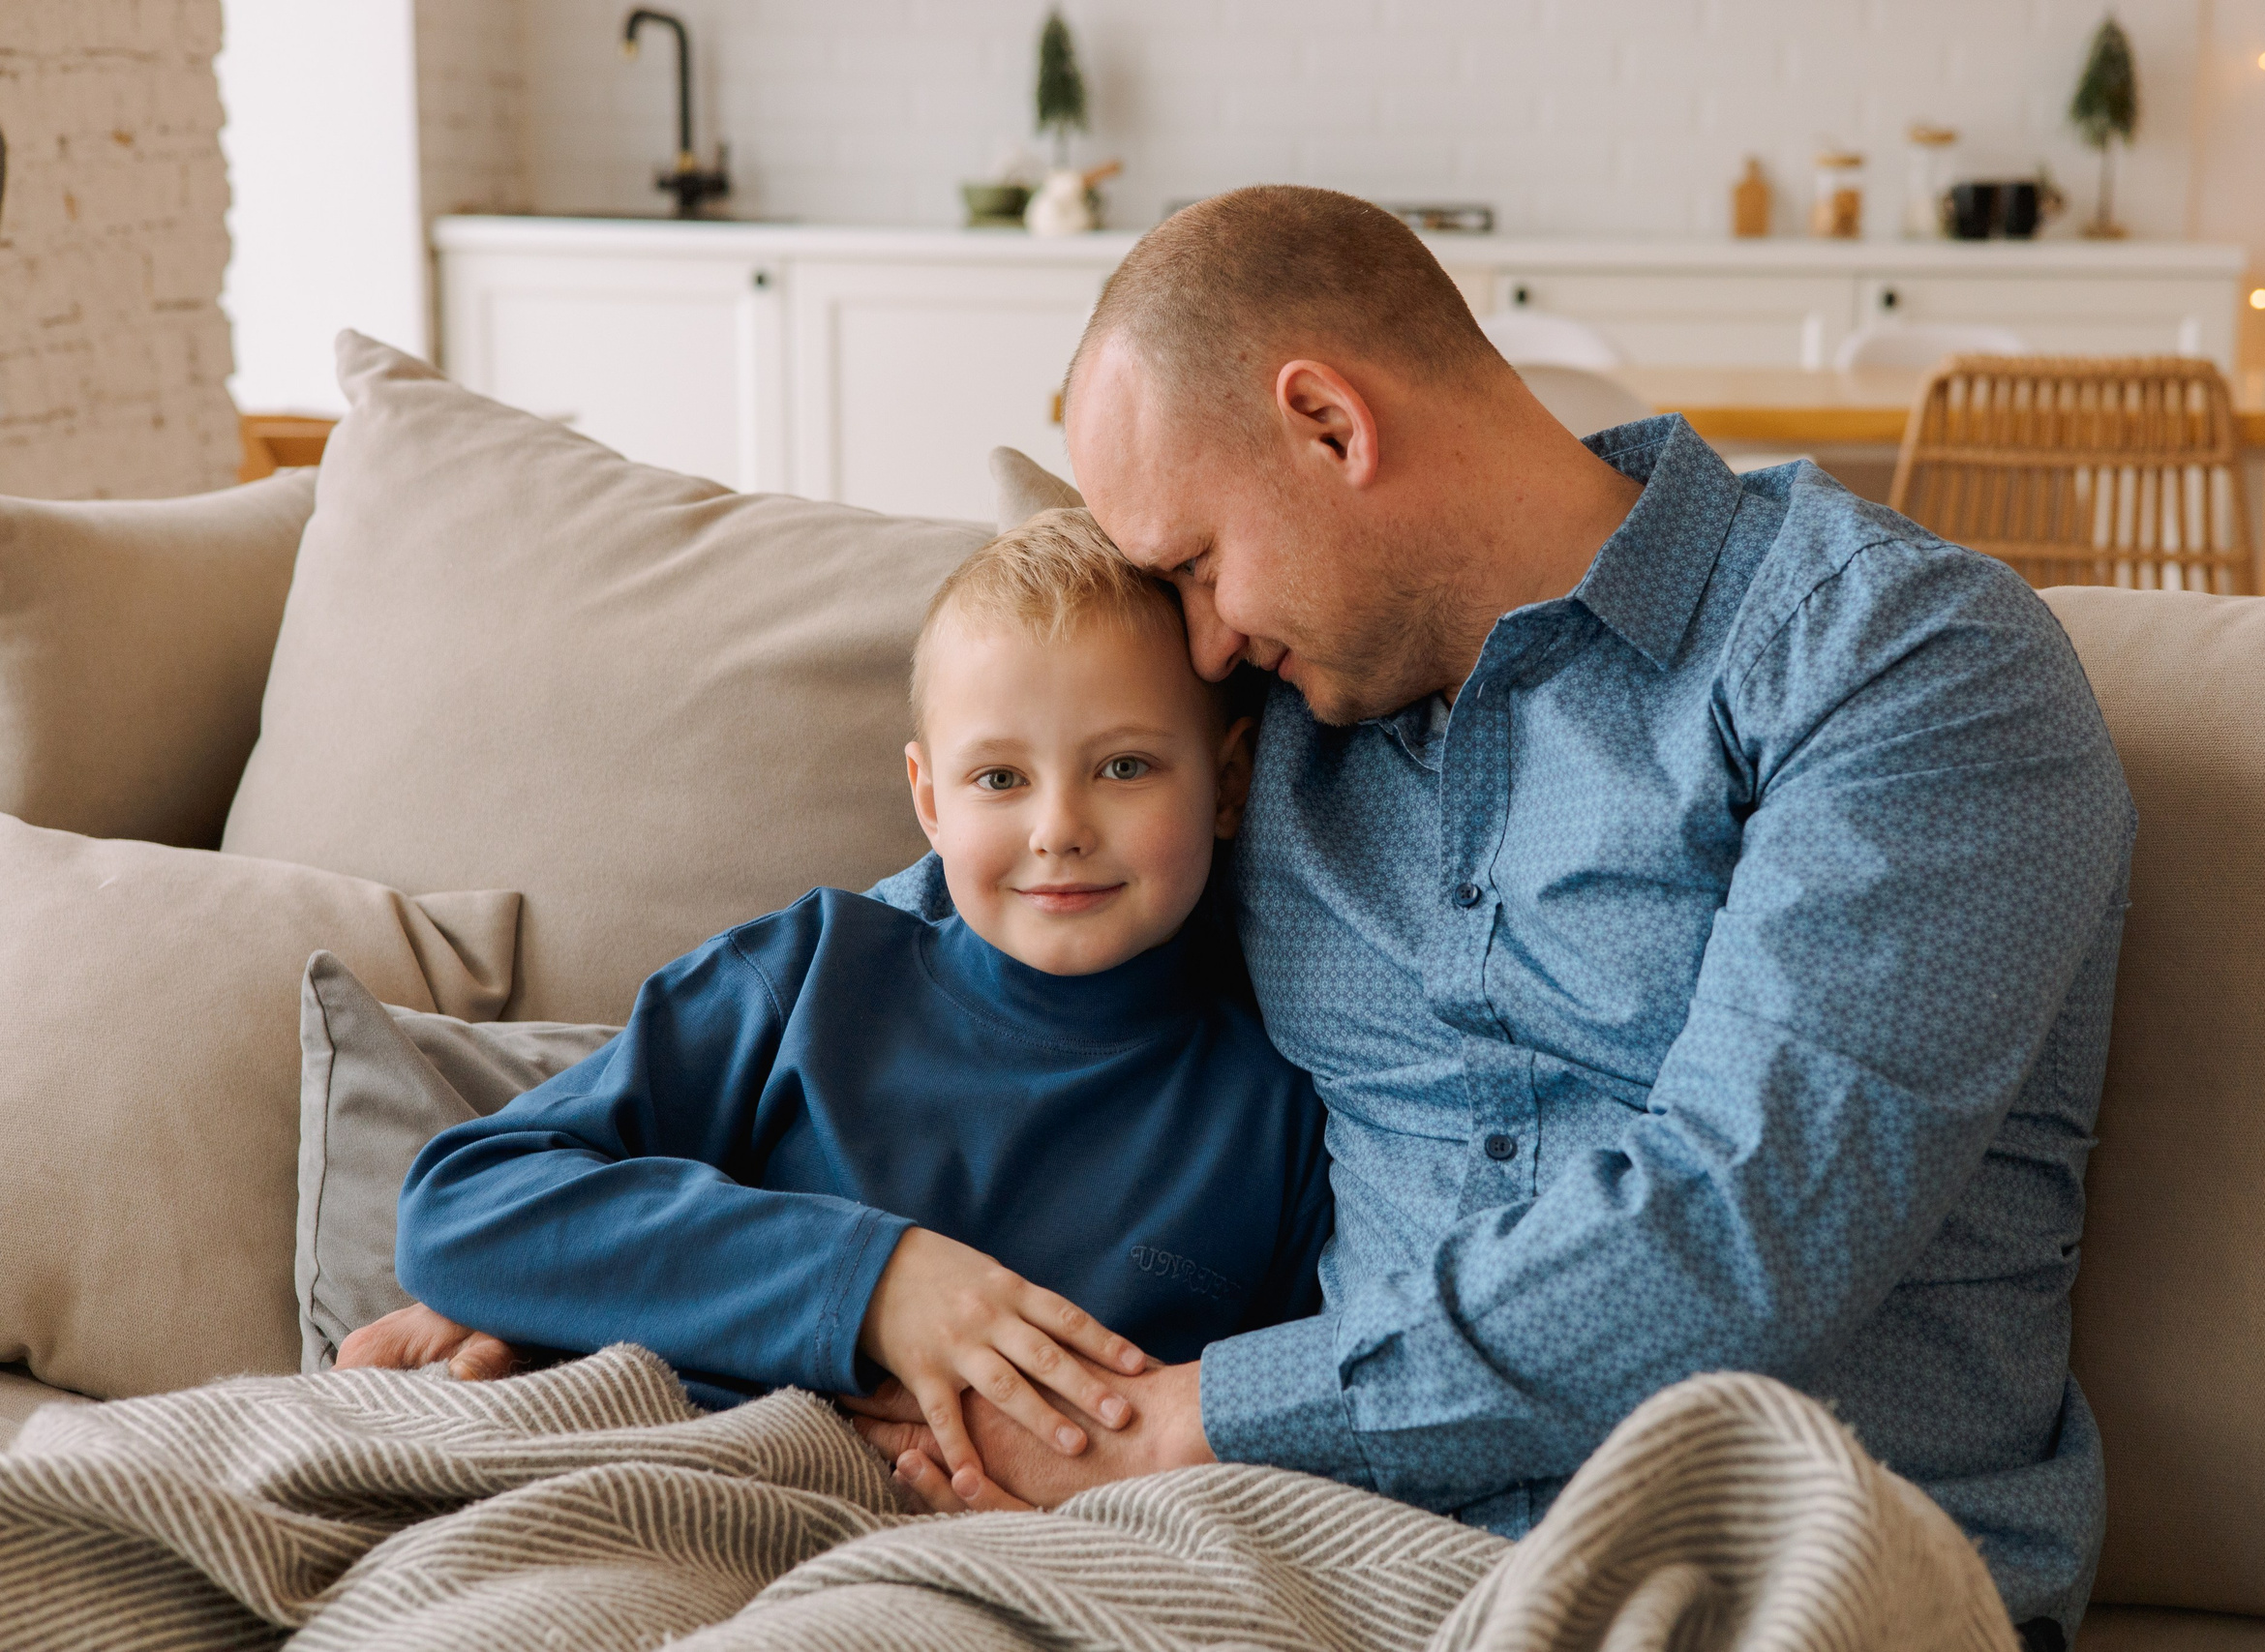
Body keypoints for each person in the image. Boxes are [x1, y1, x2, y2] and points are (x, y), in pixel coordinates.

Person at [848, 187, 2134, 1647]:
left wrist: (1183, 1422)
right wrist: (642, 1214)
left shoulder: (1898, 660)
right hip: (1311, 1554)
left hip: (1763, 1556)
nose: (1201, 642)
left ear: (1330, 424)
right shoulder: (1272, 726)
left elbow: (1745, 1231)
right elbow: (909, 965)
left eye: (1199, 564)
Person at [349, 510, 1332, 1499]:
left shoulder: (1284, 1107)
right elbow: (459, 1210)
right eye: (999, 777)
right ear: (930, 799)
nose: (1059, 828)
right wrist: (876, 1284)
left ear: (1228, 781)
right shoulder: (812, 978)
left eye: (1124, 767)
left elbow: (1282, 1431)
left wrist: (1082, 1513)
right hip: (695, 1465)